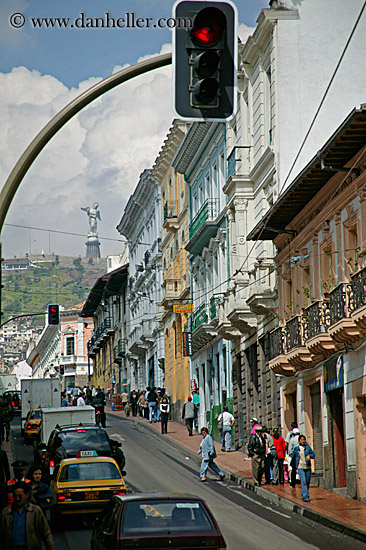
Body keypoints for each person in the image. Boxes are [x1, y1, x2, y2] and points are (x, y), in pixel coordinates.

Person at [1, 480, 55, 550]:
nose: (17, 499)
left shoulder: (35, 511)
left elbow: (46, 534)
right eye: (15, 496)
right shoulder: (6, 513)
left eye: (20, 496)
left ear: (26, 495)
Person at [292, 434, 315, 502]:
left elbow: (313, 455)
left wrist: (309, 456)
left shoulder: (308, 448)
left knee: (307, 481)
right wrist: (294, 466)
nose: (303, 441)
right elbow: (293, 457)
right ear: (299, 441)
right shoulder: (296, 449)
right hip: (300, 467)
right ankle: (305, 496)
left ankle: (304, 493)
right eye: (301, 440)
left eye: (304, 440)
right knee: (303, 481)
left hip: (307, 467)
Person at [0, 446, 10, 510]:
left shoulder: (2, 453)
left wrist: (8, 481)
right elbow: (6, 469)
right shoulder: (2, 453)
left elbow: (6, 468)